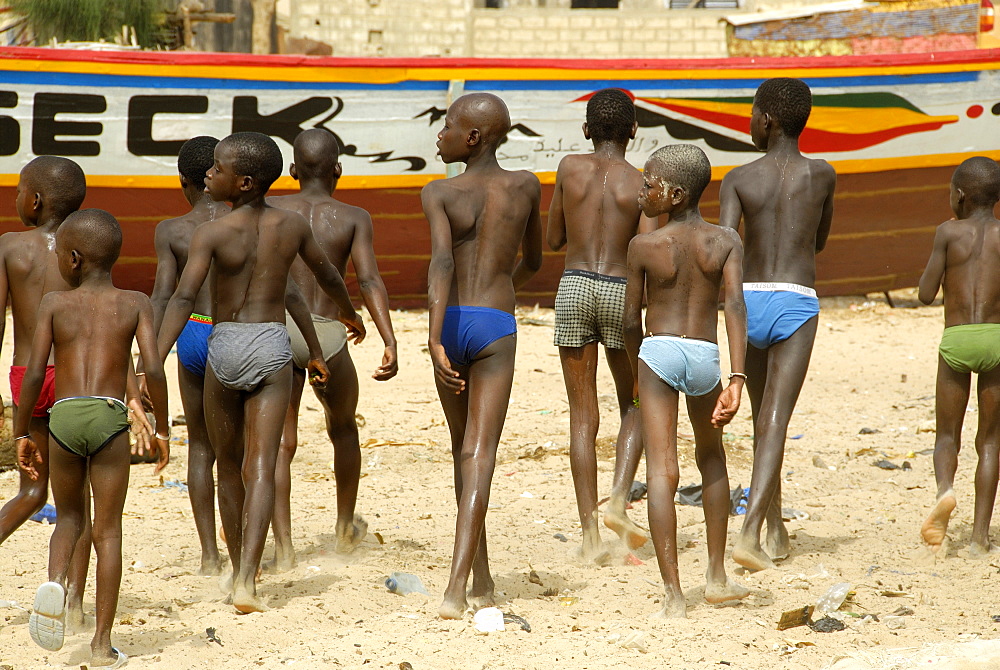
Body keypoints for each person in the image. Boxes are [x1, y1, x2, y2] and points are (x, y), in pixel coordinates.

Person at [155, 131, 365, 614]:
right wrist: (344, 318)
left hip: (222, 346)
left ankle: (233, 569)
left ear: (244, 182)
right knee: (263, 464)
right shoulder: (288, 227)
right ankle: (249, 577)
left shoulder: (210, 233)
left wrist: (155, 359)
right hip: (270, 346)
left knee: (227, 465)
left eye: (219, 168)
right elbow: (314, 282)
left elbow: (184, 298)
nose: (210, 173)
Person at [16, 208, 170, 668]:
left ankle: (58, 586)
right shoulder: (135, 302)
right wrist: (161, 427)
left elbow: (34, 373)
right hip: (109, 416)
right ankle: (102, 644)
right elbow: (155, 367)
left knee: (68, 519)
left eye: (61, 253)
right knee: (108, 530)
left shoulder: (54, 304)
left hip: (62, 416)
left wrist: (23, 429)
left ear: (75, 258)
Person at [423, 93, 542, 619]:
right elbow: (535, 259)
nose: (439, 135)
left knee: (460, 449)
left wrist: (432, 338)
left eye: (446, 126)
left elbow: (443, 263)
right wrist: (500, 294)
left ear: (472, 138)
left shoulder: (439, 192)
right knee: (481, 453)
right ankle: (469, 581)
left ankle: (473, 577)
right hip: (496, 322)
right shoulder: (526, 186)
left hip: (448, 322)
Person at [624, 144, 750, 618]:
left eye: (649, 183)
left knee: (662, 472)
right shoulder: (726, 241)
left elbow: (629, 318)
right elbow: (735, 308)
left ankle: (674, 594)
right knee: (712, 457)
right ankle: (716, 576)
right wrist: (736, 378)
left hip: (658, 351)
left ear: (674, 195)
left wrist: (637, 372)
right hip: (706, 355)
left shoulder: (643, 246)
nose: (642, 191)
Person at [718, 77, 836, 572]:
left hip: (747, 299)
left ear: (767, 120)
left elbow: (725, 249)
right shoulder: (823, 174)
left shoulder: (738, 178)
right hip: (796, 298)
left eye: (750, 112)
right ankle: (752, 532)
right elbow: (820, 241)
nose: (748, 120)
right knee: (776, 422)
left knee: (760, 419)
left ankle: (773, 525)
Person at [267, 128, 398, 567]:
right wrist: (387, 337)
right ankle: (344, 528)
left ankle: (283, 548)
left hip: (279, 329)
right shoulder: (354, 215)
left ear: (291, 171)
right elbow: (369, 280)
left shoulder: (273, 208)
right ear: (338, 169)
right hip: (327, 329)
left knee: (280, 444)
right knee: (343, 429)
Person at [546, 88, 654, 562]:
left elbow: (553, 239)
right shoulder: (641, 180)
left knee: (581, 417)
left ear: (586, 129)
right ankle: (617, 500)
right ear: (634, 130)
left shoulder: (569, 169)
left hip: (573, 284)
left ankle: (589, 537)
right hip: (619, 289)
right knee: (634, 402)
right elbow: (646, 254)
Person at [0, 156, 93, 628]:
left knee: (34, 490)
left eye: (18, 190)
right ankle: (73, 602)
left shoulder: (10, 247)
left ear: (34, 200)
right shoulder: (83, 249)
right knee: (77, 500)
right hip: (77, 378)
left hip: (27, 376)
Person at [147, 136, 230, 576]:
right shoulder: (247, 221)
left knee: (200, 447)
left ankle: (208, 556)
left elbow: (164, 296)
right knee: (249, 449)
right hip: (240, 332)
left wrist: (151, 357)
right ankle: (246, 548)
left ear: (184, 180)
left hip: (193, 331)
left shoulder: (172, 230)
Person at [917, 156, 1000, 556]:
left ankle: (945, 491)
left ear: (960, 195)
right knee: (990, 441)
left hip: (957, 339)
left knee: (947, 434)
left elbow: (925, 293)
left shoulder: (947, 234)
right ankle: (980, 538)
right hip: (996, 340)